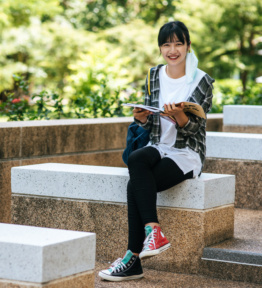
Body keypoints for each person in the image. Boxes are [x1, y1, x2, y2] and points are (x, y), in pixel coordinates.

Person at [98, 20, 215, 282]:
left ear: (187, 45)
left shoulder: (202, 80)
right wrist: (141, 117)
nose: (172, 50)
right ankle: (154, 232)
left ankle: (133, 259)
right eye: (166, 44)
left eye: (178, 43)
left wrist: (180, 118)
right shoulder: (154, 75)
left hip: (186, 152)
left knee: (134, 185)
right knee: (138, 159)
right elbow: (151, 118)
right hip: (158, 145)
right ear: (160, 48)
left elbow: (195, 128)